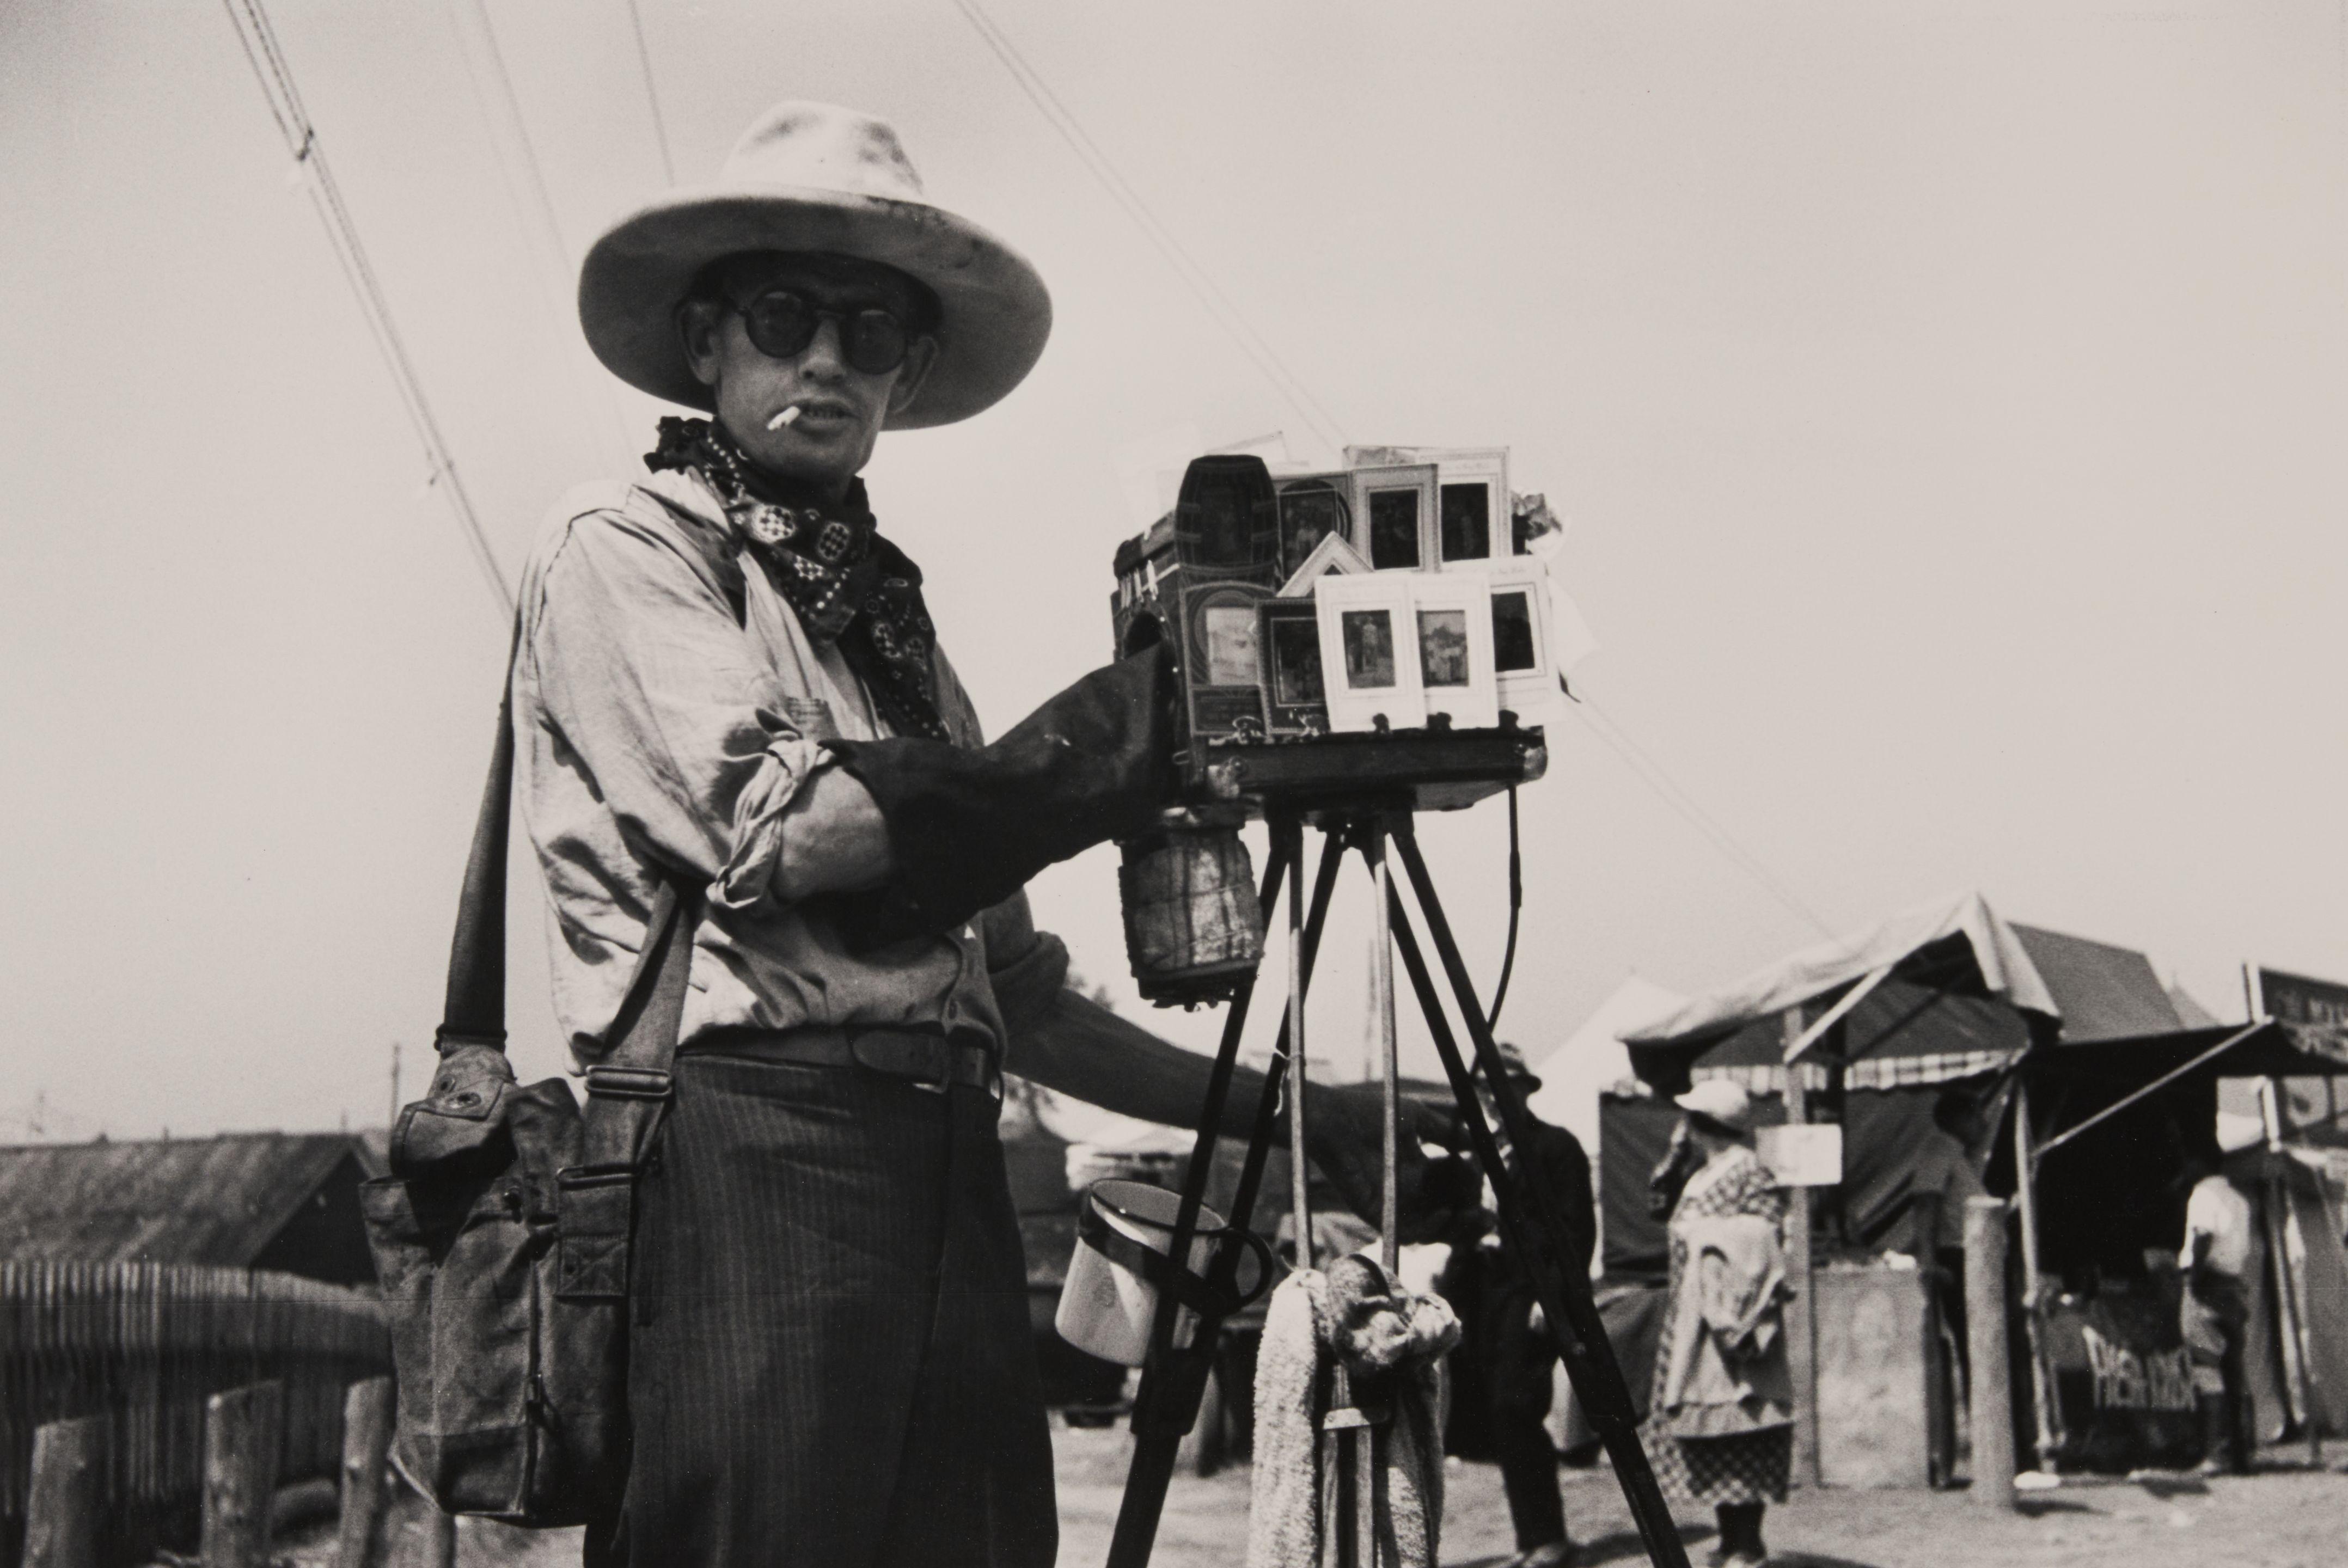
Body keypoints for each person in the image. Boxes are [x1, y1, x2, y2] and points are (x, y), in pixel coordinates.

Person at [427, 101, 1446, 1568]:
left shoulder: (886, 627)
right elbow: (793, 832)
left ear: (908, 372)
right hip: (753, 1159)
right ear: (712, 340)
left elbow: (1022, 995)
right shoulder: (628, 544)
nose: (826, 357)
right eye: (787, 316)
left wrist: (1296, 1118)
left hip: (943, 1164)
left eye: (869, 328)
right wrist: (1127, 729)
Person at [1436, 1042, 1595, 1568]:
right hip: (1481, 1291)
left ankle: (1549, 1539)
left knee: (1517, 1405)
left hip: (1530, 1292)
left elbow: (1575, 1231)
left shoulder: (1554, 1148)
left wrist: (1554, 1301)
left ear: (1525, 1091)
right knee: (1494, 1413)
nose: (1494, 1098)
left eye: (1505, 1088)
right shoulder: (1478, 1151)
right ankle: (1532, 1541)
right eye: (1485, 1089)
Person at [1641, 1080, 1793, 1568]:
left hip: (1734, 1319)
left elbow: (1767, 1236)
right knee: (1707, 1428)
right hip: (1694, 1319)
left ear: (1707, 1122)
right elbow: (1658, 1209)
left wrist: (1703, 1237)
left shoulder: (1749, 1170)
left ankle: (1748, 1544)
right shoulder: (1700, 1173)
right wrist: (1672, 1162)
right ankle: (1732, 1539)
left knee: (1742, 1423)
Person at [2178, 1150, 2259, 1475]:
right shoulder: (2239, 1201)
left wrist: (2194, 1280)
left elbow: (2201, 1235)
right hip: (2233, 1285)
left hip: (2208, 1285)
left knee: (2205, 1366)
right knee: (2233, 1372)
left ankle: (2215, 1454)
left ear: (2199, 1163)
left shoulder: (2203, 1194)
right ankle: (2241, 1454)